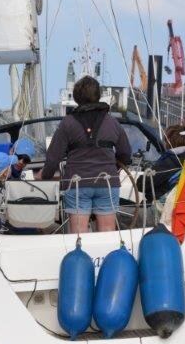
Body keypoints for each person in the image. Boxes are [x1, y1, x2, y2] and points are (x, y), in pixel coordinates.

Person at [40, 76, 131, 234]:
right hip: (107, 182)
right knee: (107, 234)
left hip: (77, 183)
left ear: (76, 97)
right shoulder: (113, 122)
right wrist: (113, 169)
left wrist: (45, 176)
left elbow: (53, 157)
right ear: (98, 95)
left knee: (78, 236)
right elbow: (125, 153)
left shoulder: (67, 123)